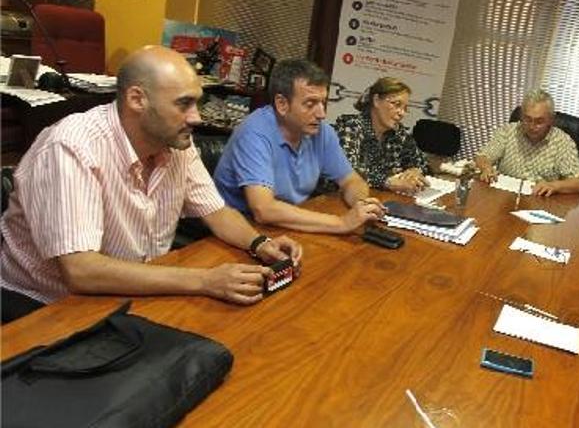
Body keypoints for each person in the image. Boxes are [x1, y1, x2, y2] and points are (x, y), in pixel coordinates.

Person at [0, 46, 301, 323]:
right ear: (136, 99)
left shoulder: (175, 143)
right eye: (184, 104)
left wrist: (260, 243)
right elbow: (81, 271)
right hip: (41, 307)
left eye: (198, 102)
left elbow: (217, 212)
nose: (196, 117)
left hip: (126, 295)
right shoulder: (72, 147)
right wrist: (205, 281)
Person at [213, 58, 385, 234]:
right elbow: (263, 209)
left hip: (286, 223)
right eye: (310, 104)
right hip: (237, 230)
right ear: (282, 104)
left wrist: (362, 204)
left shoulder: (322, 132)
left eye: (323, 103)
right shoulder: (254, 133)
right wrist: (341, 223)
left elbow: (351, 180)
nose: (322, 114)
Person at [474, 89, 579, 196]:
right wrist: (486, 167)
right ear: (522, 116)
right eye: (527, 119)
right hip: (505, 198)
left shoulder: (562, 141)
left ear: (551, 119)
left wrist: (554, 186)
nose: (532, 126)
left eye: (539, 121)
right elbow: (482, 156)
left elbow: (578, 183)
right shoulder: (508, 131)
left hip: (540, 201)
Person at [333, 77, 429, 194]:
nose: (401, 113)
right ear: (376, 100)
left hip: (382, 199)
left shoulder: (399, 132)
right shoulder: (350, 127)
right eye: (396, 104)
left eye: (405, 108)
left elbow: (421, 162)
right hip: (340, 199)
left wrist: (414, 171)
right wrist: (388, 182)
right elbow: (348, 171)